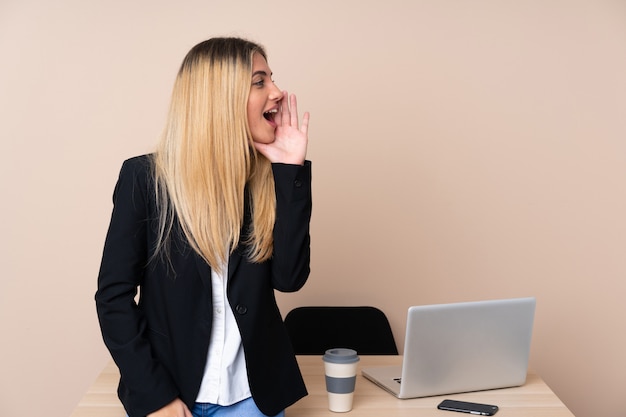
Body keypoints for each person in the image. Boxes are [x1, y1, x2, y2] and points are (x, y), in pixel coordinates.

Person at [95, 37, 311, 417]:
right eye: (260, 82)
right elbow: (113, 300)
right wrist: (155, 396)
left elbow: (289, 278)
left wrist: (290, 171)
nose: (277, 93)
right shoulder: (145, 179)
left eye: (271, 80)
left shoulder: (264, 183)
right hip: (171, 398)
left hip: (253, 399)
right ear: (220, 98)